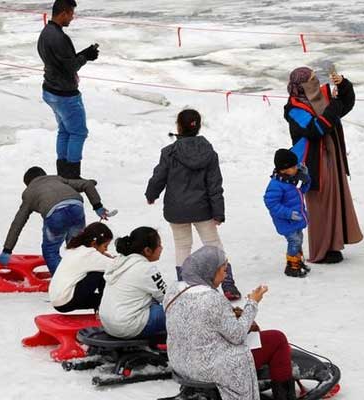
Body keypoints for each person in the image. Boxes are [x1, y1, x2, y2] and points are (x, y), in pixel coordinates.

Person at [165, 246, 296, 400]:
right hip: (207, 367)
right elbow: (237, 336)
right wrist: (252, 303)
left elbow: (200, 318)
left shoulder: (174, 290)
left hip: (180, 361)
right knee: (277, 339)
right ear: (210, 271)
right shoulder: (211, 298)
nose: (225, 274)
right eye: (223, 269)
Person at [145, 109, 241, 300]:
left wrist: (151, 194)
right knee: (213, 244)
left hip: (176, 209)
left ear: (178, 126)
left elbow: (159, 177)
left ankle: (184, 286)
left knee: (182, 246)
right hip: (202, 209)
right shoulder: (209, 153)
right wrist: (218, 212)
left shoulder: (169, 152)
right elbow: (215, 184)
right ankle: (228, 284)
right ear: (198, 126)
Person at [284, 66, 363, 264]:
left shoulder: (323, 96)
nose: (315, 81)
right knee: (320, 205)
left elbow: (345, 105)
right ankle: (322, 248)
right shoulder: (294, 108)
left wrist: (343, 85)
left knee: (336, 199)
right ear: (300, 85)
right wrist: (334, 106)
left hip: (332, 155)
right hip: (314, 162)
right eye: (310, 79)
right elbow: (315, 129)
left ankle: (335, 244)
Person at [0, 166, 111, 275]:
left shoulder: (29, 193)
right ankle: (83, 276)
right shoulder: (57, 179)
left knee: (50, 251)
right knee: (77, 247)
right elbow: (87, 184)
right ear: (44, 175)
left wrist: (7, 250)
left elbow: (18, 223)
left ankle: (62, 281)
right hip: (76, 208)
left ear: (28, 184)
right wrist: (98, 206)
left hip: (56, 215)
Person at [38, 0, 100, 179]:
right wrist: (85, 57)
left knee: (65, 130)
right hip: (64, 95)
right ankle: (72, 176)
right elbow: (70, 66)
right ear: (63, 13)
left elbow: (62, 61)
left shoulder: (46, 33)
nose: (72, 17)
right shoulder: (59, 37)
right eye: (71, 13)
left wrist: (83, 53)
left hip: (50, 89)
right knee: (78, 132)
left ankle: (63, 173)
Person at [99, 227, 167, 339]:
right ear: (147, 250)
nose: (161, 248)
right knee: (180, 310)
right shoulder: (146, 269)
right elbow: (167, 298)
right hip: (129, 326)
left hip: (109, 323)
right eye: (159, 245)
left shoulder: (119, 262)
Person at [263, 149, 312, 278]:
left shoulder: (291, 179)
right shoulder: (276, 185)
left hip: (296, 220)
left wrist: (306, 178)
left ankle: (298, 261)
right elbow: (271, 204)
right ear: (284, 169)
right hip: (286, 221)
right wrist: (289, 214)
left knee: (298, 239)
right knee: (295, 241)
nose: (296, 168)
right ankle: (292, 266)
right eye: (294, 166)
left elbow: (302, 191)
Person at [48, 222, 114, 312]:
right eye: (105, 246)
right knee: (100, 273)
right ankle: (105, 308)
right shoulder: (89, 254)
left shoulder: (77, 249)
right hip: (66, 301)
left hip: (59, 301)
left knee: (102, 300)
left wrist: (104, 256)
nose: (106, 249)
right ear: (94, 243)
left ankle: (103, 306)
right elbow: (115, 266)